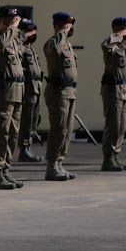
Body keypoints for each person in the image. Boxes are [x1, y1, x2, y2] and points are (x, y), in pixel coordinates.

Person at [0, 6, 32, 189]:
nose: (15, 22)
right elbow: (0, 44)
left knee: (13, 134)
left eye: (15, 19)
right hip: (3, 93)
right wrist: (11, 28)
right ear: (2, 21)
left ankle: (6, 170)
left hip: (17, 92)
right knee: (0, 133)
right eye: (10, 20)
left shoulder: (14, 41)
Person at [43, 12, 78, 181]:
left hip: (69, 91)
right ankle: (51, 165)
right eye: (65, 25)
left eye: (69, 25)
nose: (68, 28)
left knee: (67, 130)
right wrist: (61, 33)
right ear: (57, 26)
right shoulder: (52, 43)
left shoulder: (67, 45)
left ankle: (59, 163)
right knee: (58, 128)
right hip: (58, 92)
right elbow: (53, 49)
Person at [100, 17, 126, 172]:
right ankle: (108, 159)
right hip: (112, 90)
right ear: (120, 29)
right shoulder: (111, 43)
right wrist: (118, 34)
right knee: (113, 125)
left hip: (123, 90)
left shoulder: (123, 46)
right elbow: (104, 45)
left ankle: (115, 155)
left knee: (121, 126)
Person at [17, 18, 43, 163]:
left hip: (35, 89)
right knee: (27, 120)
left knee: (34, 119)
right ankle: (24, 149)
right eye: (27, 31)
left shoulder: (30, 48)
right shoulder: (19, 47)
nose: (31, 34)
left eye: (32, 31)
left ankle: (28, 147)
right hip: (26, 89)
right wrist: (22, 37)